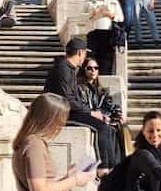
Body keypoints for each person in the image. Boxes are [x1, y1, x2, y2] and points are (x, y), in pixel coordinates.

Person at [43, 37, 119, 170]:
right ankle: (103, 168)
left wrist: (91, 112)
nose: (84, 57)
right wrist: (89, 112)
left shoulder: (69, 69)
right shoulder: (62, 69)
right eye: (84, 53)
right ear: (80, 53)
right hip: (62, 114)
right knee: (101, 127)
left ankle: (114, 167)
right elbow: (67, 99)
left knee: (110, 128)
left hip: (70, 111)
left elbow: (73, 99)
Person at [86, 0, 124, 75]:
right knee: (93, 58)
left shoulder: (113, 2)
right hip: (93, 33)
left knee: (106, 59)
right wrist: (92, 13)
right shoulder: (89, 3)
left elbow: (121, 18)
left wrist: (112, 16)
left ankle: (105, 79)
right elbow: (82, 17)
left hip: (108, 33)